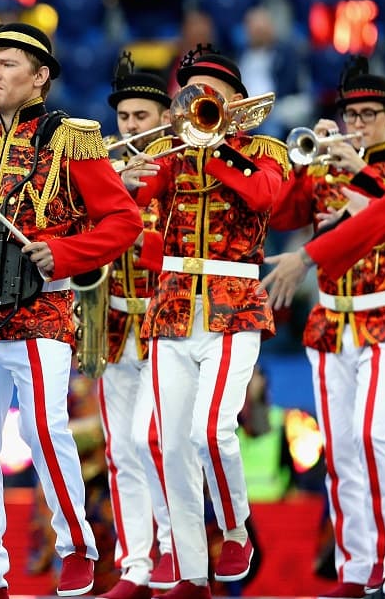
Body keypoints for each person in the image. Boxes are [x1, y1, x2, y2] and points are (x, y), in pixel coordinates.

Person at [0, 23, 143, 599]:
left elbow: (124, 222)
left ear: (39, 78)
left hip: (40, 306)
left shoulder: (73, 138)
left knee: (44, 429)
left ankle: (77, 547)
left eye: (7, 64)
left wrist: (62, 252)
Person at [120, 45, 289, 599]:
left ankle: (236, 529)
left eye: (212, 92)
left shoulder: (264, 149)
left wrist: (215, 147)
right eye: (192, 92)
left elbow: (265, 196)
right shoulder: (171, 153)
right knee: (168, 444)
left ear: (236, 102)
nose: (201, 100)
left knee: (209, 430)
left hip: (233, 303)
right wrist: (124, 175)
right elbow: (137, 210)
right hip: (172, 307)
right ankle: (192, 572)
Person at [266, 57, 385, 599]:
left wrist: (359, 168)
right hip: (331, 323)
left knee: (375, 435)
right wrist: (306, 166)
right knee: (341, 450)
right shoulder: (324, 166)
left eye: (369, 114)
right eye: (351, 114)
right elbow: (281, 217)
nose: (359, 124)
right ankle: (355, 567)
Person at [96, 54, 176, 599]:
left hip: (167, 323)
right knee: (121, 448)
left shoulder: (178, 165)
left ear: (166, 117)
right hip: (112, 326)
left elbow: (179, 252)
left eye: (141, 116)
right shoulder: (100, 165)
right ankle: (135, 565)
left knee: (158, 443)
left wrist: (122, 203)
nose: (131, 127)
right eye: (125, 117)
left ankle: (176, 551)